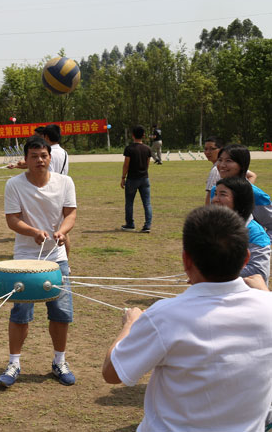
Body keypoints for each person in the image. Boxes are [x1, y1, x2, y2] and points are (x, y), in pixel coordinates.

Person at [102, 206, 272, 432]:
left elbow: (112, 372)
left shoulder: (164, 316)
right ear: (246, 259)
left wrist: (130, 325)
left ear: (186, 260)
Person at [0, 135, 77, 388]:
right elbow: (12, 219)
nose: (40, 160)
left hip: (57, 259)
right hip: (24, 260)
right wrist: (34, 232)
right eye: (34, 156)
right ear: (27, 160)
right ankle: (13, 363)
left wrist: (62, 232)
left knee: (61, 312)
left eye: (43, 156)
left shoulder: (65, 182)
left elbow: (70, 214)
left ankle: (59, 362)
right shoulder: (14, 184)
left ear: (50, 157)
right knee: (20, 312)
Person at [211, 177, 270, 283]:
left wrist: (216, 273)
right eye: (215, 194)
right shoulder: (215, 226)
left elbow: (259, 272)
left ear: (239, 199)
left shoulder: (256, 234)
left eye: (223, 194)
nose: (215, 199)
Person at [212, 144, 272, 241]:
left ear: (242, 164)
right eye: (220, 160)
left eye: (228, 161)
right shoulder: (215, 191)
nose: (222, 165)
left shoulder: (256, 194)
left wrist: (258, 244)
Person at [204, 136, 257, 205]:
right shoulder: (224, 167)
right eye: (205, 149)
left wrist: (246, 190)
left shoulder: (216, 170)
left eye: (212, 149)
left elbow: (210, 195)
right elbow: (252, 175)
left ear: (221, 149)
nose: (207, 152)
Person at [120, 125, 152, 233]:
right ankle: (147, 225)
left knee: (129, 202)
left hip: (132, 179)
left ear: (133, 135)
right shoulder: (147, 149)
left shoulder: (129, 149)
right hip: (144, 178)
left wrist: (123, 177)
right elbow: (147, 164)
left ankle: (130, 224)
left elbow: (126, 164)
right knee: (147, 203)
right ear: (143, 135)